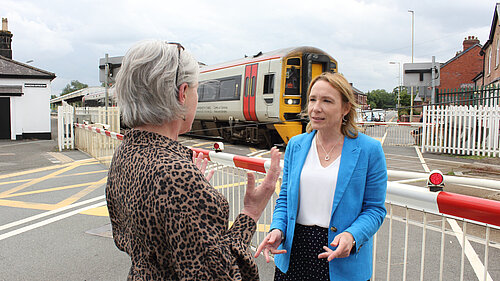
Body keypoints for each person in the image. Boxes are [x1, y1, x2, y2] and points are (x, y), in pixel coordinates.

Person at [106, 40, 281, 280]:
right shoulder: (177, 177)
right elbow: (223, 275)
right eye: (197, 90)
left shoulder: (126, 152)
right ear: (182, 93)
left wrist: (189, 182)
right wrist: (251, 212)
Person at [255, 72, 387, 281]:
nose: (316, 108)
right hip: (294, 255)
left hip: (339, 255)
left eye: (327, 101)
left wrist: (352, 236)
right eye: (313, 99)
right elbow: (285, 200)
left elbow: (375, 209)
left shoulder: (369, 150)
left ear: (346, 108)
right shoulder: (296, 145)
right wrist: (278, 229)